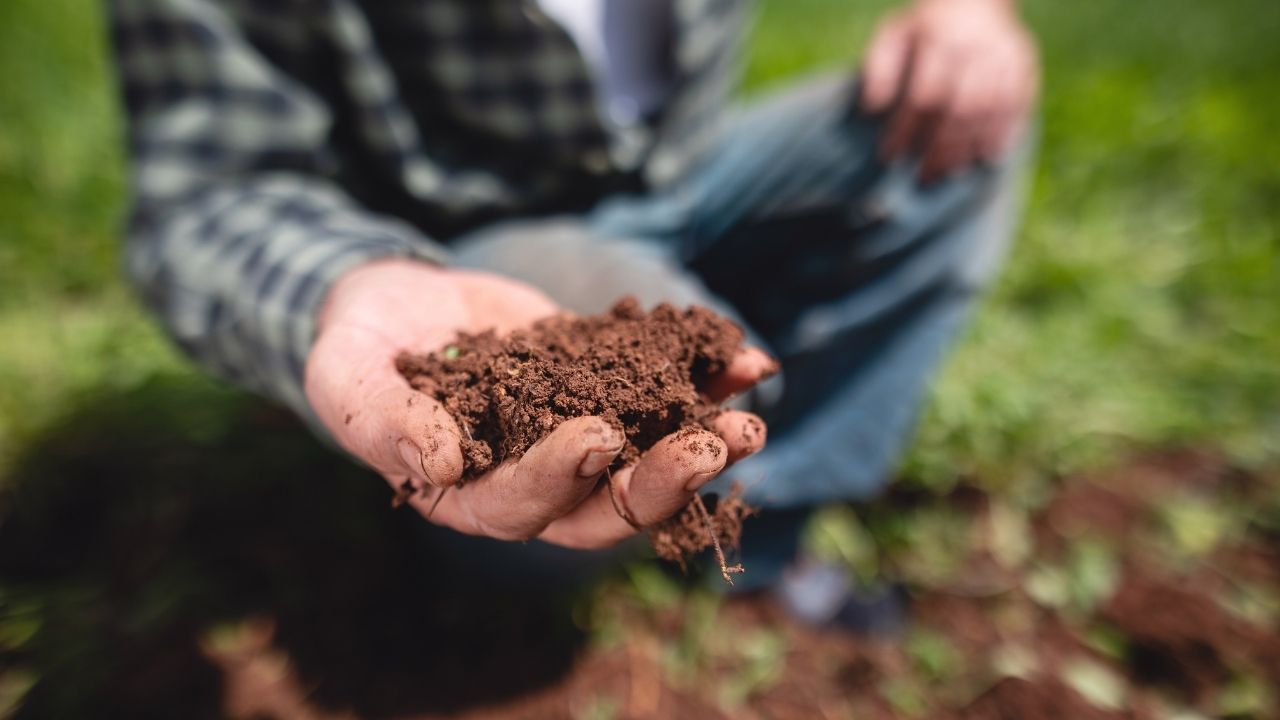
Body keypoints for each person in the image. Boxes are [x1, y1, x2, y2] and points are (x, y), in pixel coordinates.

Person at [108, 0, 1038, 621]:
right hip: (456, 247)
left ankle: (763, 536)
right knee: (593, 461)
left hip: (684, 166)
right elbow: (206, 197)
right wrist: (348, 281)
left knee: (955, 135)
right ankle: (474, 589)